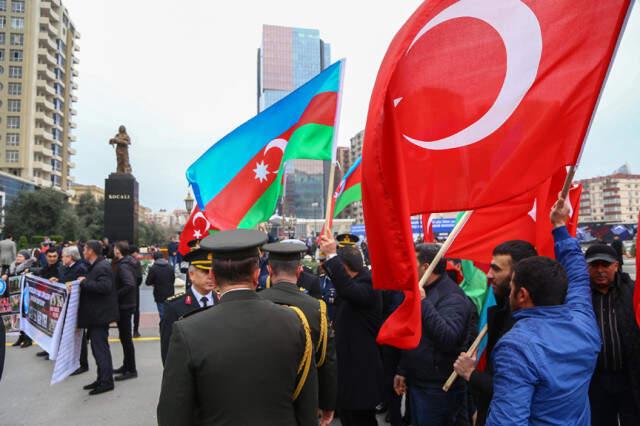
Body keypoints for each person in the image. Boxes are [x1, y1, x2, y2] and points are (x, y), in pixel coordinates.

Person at [157, 229, 318, 425]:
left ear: (213, 277)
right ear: (257, 275)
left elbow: (173, 413)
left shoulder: (187, 330)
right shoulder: (294, 321)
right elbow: (307, 403)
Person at [486, 196, 601, 424]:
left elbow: (508, 420)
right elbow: (578, 275)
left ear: (522, 295)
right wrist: (559, 226)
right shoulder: (583, 321)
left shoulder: (516, 347)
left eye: (512, 285)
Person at [453, 240, 538, 426]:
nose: (489, 275)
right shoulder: (501, 311)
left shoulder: (525, 329)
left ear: (517, 276)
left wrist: (471, 374)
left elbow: (512, 389)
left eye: (496, 269)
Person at [393, 244, 475, 426]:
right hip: (419, 381)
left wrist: (423, 303)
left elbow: (448, 338)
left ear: (426, 266)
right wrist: (403, 370)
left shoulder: (452, 297)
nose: (407, 266)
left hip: (438, 388)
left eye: (412, 262)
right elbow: (416, 336)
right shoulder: (424, 290)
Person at [260, 241, 338, 426]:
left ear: (270, 270)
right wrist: (327, 404)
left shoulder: (254, 302)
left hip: (260, 395)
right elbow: (326, 360)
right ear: (299, 271)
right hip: (304, 396)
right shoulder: (316, 308)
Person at [319, 233, 383, 426]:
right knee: (349, 416)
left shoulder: (368, 284)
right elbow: (341, 284)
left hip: (361, 370)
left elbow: (347, 290)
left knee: (361, 419)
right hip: (349, 368)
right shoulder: (356, 281)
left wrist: (332, 255)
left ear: (346, 268)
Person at [585, 243, 640, 425]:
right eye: (594, 265)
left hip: (630, 377)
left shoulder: (633, 292)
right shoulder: (580, 298)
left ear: (616, 266)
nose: (600, 270)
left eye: (605, 265)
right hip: (595, 380)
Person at [159, 246, 215, 365]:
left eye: (214, 272)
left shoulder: (223, 301)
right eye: (205, 272)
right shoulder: (174, 306)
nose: (211, 276)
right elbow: (168, 351)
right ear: (191, 275)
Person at [78, 240, 119, 395]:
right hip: (97, 315)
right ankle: (101, 378)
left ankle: (106, 381)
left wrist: (84, 283)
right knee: (98, 349)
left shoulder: (102, 266)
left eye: (85, 249)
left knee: (100, 349)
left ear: (91, 251)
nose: (83, 251)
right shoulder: (98, 265)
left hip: (100, 316)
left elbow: (104, 287)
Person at [59, 246, 90, 376]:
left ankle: (83, 364)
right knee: (71, 335)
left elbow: (82, 286)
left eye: (63, 256)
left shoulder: (80, 268)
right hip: (69, 305)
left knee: (79, 336)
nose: (62, 258)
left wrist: (71, 285)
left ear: (70, 257)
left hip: (77, 307)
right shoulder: (67, 268)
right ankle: (73, 360)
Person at [111, 241, 138, 381]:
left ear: (118, 251)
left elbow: (130, 284)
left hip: (124, 306)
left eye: (114, 248)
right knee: (124, 337)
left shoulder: (123, 266)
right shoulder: (130, 262)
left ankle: (131, 369)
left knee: (126, 339)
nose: (113, 250)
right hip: (128, 304)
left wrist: (115, 295)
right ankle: (126, 365)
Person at [36, 247, 64, 359]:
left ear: (58, 257)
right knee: (47, 327)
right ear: (46, 257)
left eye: (54, 257)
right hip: (46, 301)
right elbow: (39, 273)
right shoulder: (46, 267)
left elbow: (65, 280)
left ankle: (55, 351)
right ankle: (48, 348)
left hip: (56, 303)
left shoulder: (60, 268)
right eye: (50, 256)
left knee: (55, 328)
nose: (52, 259)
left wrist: (58, 280)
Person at [7, 250, 35, 348]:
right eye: (17, 256)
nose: (18, 258)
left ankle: (28, 339)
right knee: (19, 315)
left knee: (25, 315)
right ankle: (21, 337)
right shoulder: (13, 267)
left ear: (26, 258)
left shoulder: (29, 267)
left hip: (26, 294)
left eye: (21, 256)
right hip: (16, 294)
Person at [145, 251, 175, 321]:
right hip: (170, 292)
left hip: (159, 293)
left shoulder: (153, 268)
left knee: (162, 314)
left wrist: (154, 283)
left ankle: (163, 329)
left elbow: (148, 282)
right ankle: (170, 328)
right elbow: (173, 279)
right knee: (169, 312)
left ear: (154, 258)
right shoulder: (170, 266)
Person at [129, 245, 143, 338]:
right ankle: (135, 331)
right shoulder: (136, 262)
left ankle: (126, 330)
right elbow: (139, 278)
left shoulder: (122, 261)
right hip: (134, 289)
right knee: (136, 310)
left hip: (125, 290)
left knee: (126, 310)